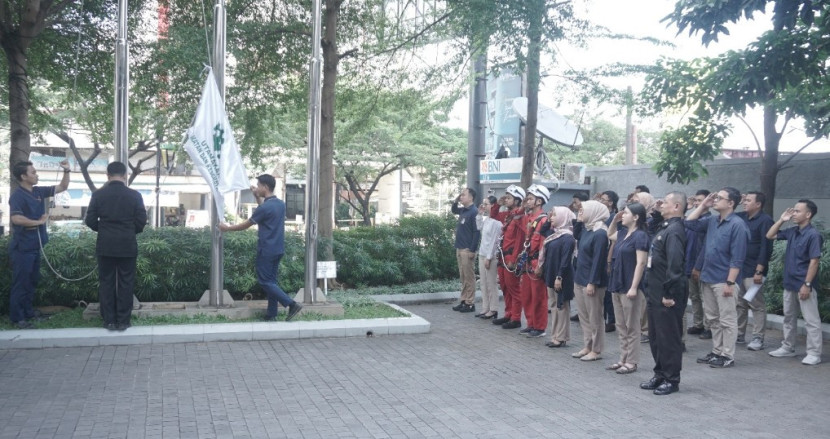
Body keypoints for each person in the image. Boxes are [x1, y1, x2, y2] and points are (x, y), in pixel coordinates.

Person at [219, 174, 303, 321]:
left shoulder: (265, 208)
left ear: (265, 187)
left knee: (265, 282)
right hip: (278, 249)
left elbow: (247, 224)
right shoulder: (280, 204)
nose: (256, 188)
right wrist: (257, 196)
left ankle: (291, 304)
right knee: (271, 282)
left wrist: (227, 228)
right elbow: (263, 211)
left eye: (258, 185)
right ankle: (271, 315)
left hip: (266, 250)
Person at [687, 187, 749, 369]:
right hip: (708, 277)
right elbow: (689, 223)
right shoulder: (713, 220)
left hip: (724, 280)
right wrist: (703, 205)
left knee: (727, 319)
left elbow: (738, 257)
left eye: (719, 198)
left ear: (731, 203)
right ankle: (717, 351)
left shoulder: (738, 225)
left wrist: (730, 282)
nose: (715, 200)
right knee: (713, 318)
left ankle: (727, 355)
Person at [84, 162, 147, 331]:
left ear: (108, 175)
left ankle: (109, 321)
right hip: (127, 244)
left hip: (106, 244)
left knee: (107, 282)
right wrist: (129, 231)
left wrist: (103, 229)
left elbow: (89, 220)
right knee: (126, 282)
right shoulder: (135, 195)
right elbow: (141, 221)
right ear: (125, 175)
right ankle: (124, 321)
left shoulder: (98, 195)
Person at [8, 159, 70, 329]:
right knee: (21, 282)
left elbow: (62, 187)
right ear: (23, 176)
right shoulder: (17, 196)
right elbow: (16, 218)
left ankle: (28, 312)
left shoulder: (37, 191)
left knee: (32, 280)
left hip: (36, 245)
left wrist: (66, 171)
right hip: (23, 247)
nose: (37, 175)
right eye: (33, 172)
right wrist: (38, 222)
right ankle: (17, 318)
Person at [639, 192, 687, 396]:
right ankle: (659, 373)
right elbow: (651, 228)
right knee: (656, 337)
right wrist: (657, 213)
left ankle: (671, 379)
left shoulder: (675, 230)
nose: (662, 204)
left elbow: (675, 264)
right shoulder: (665, 227)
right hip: (655, 291)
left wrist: (669, 292)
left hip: (666, 293)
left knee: (669, 338)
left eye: (666, 202)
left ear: (677, 206)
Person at [766, 200, 823, 365]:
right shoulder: (792, 231)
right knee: (789, 317)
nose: (793, 213)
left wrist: (807, 284)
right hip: (789, 282)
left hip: (804, 284)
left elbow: (814, 262)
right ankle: (787, 347)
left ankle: (814, 353)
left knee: (811, 320)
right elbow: (770, 235)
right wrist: (782, 220)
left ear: (808, 214)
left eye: (797, 211)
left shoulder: (813, 235)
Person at [606, 203, 649, 375]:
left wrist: (634, 287)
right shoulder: (623, 233)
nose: (622, 215)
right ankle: (622, 358)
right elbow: (609, 234)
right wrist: (614, 220)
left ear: (636, 217)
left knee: (632, 326)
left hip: (630, 287)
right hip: (617, 284)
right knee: (621, 325)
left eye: (626, 213)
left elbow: (641, 262)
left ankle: (632, 361)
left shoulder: (641, 236)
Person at [735, 191, 774, 351]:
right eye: (744, 200)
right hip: (740, 269)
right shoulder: (742, 217)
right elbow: (727, 212)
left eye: (748, 200)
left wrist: (760, 270)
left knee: (756, 305)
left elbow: (766, 247)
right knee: (740, 304)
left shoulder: (765, 220)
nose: (745, 202)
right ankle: (739, 334)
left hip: (754, 270)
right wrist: (738, 200)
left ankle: (758, 337)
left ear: (758, 204)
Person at [571, 200, 609, 362]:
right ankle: (587, 345)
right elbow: (576, 235)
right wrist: (579, 221)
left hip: (592, 282)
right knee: (584, 316)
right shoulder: (587, 228)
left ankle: (596, 349)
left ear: (593, 211)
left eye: (583, 210)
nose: (580, 212)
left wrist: (592, 282)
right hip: (580, 278)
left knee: (595, 317)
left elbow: (598, 260)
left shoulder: (600, 233)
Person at [537, 206, 576, 348]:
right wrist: (548, 220)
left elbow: (566, 259)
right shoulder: (554, 234)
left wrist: (559, 277)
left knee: (562, 306)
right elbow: (542, 230)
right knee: (553, 306)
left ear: (563, 217)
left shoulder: (568, 238)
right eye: (551, 215)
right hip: (550, 274)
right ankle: (554, 336)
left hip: (562, 276)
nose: (551, 217)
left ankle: (561, 337)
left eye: (554, 215)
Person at [491, 185, 526, 329]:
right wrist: (498, 204)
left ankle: (516, 318)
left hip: (510, 257)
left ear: (517, 201)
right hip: (502, 257)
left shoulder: (519, 217)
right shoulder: (508, 216)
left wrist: (514, 259)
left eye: (509, 198)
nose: (506, 200)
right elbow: (493, 216)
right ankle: (508, 314)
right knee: (505, 287)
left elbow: (519, 239)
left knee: (514, 288)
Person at [518, 185, 550, 337]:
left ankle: (540, 327)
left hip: (536, 262)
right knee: (527, 296)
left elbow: (543, 245)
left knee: (539, 297)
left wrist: (541, 265)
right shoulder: (529, 218)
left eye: (530, 199)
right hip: (526, 262)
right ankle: (531, 323)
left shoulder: (543, 220)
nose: (527, 201)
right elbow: (517, 219)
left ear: (539, 201)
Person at [685, 190, 711, 339]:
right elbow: (684, 223)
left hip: (701, 265)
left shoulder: (709, 221)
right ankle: (698, 323)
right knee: (694, 296)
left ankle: (709, 326)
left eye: (700, 200)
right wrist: (688, 208)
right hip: (689, 263)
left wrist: (698, 266)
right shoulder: (692, 220)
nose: (697, 203)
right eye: (696, 200)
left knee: (704, 297)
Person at [450, 188, 480, 313]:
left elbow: (477, 232)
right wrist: (456, 200)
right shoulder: (463, 210)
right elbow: (454, 210)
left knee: (469, 277)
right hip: (460, 247)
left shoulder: (474, 212)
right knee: (463, 276)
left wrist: (473, 250)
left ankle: (470, 303)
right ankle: (463, 300)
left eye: (464, 195)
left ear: (471, 198)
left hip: (467, 249)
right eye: (461, 195)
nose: (461, 196)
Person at [475, 196, 501, 319]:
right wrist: (479, 214)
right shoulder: (487, 220)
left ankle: (493, 309)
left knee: (491, 284)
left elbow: (494, 241)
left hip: (490, 256)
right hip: (482, 253)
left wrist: (489, 257)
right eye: (483, 203)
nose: (484, 206)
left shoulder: (497, 222)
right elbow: (478, 226)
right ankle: (485, 308)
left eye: (486, 204)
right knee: (483, 284)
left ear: (493, 205)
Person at [600, 191, 620, 334]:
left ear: (611, 202)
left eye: (604, 199)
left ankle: (611, 320)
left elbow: (613, 240)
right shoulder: (599, 216)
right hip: (600, 255)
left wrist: (608, 261)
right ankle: (602, 317)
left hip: (608, 255)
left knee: (608, 291)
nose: (601, 201)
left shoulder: (614, 218)